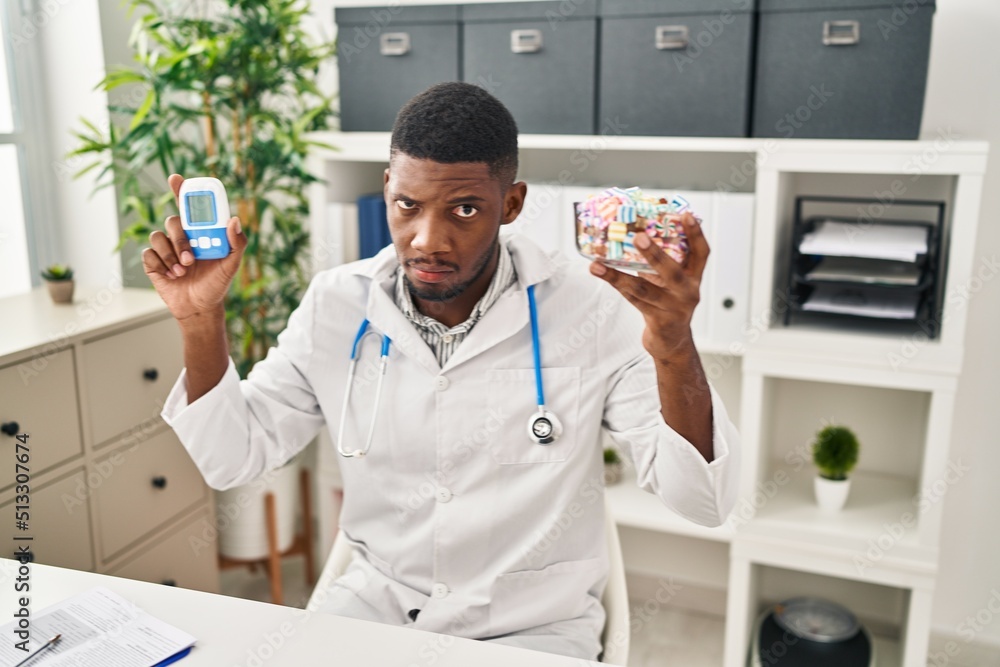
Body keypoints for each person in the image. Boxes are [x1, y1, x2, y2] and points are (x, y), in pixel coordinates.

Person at [147, 81, 740, 661]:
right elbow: (232, 459)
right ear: (386, 189)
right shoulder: (336, 304)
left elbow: (704, 500)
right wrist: (201, 321)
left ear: (511, 204)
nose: (427, 240)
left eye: (463, 209)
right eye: (408, 205)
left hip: (531, 629)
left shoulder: (591, 308)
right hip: (374, 610)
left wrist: (674, 348)